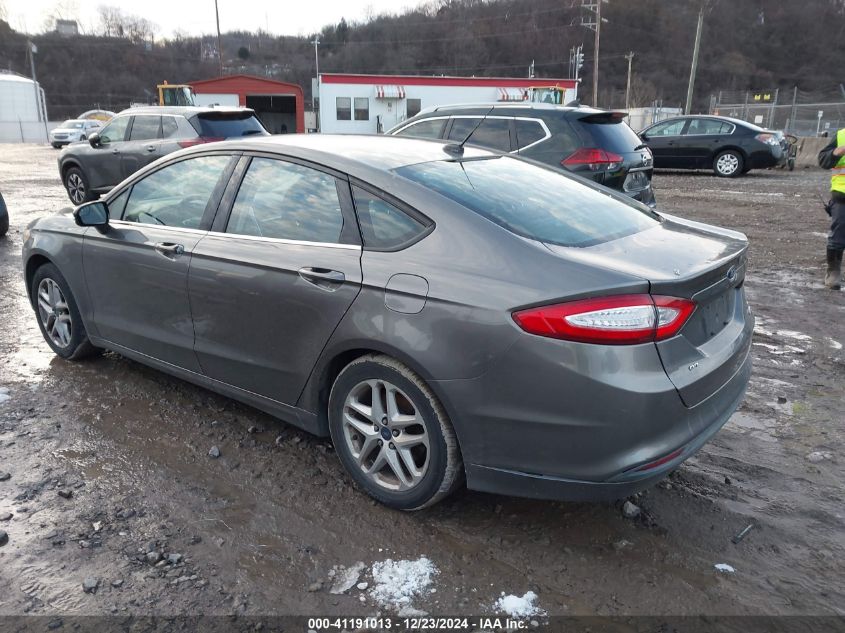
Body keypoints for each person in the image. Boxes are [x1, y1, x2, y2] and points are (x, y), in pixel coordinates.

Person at [818, 128, 845, 290]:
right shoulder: (841, 135)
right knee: (838, 237)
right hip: (842, 196)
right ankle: (833, 272)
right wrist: (837, 152)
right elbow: (823, 161)